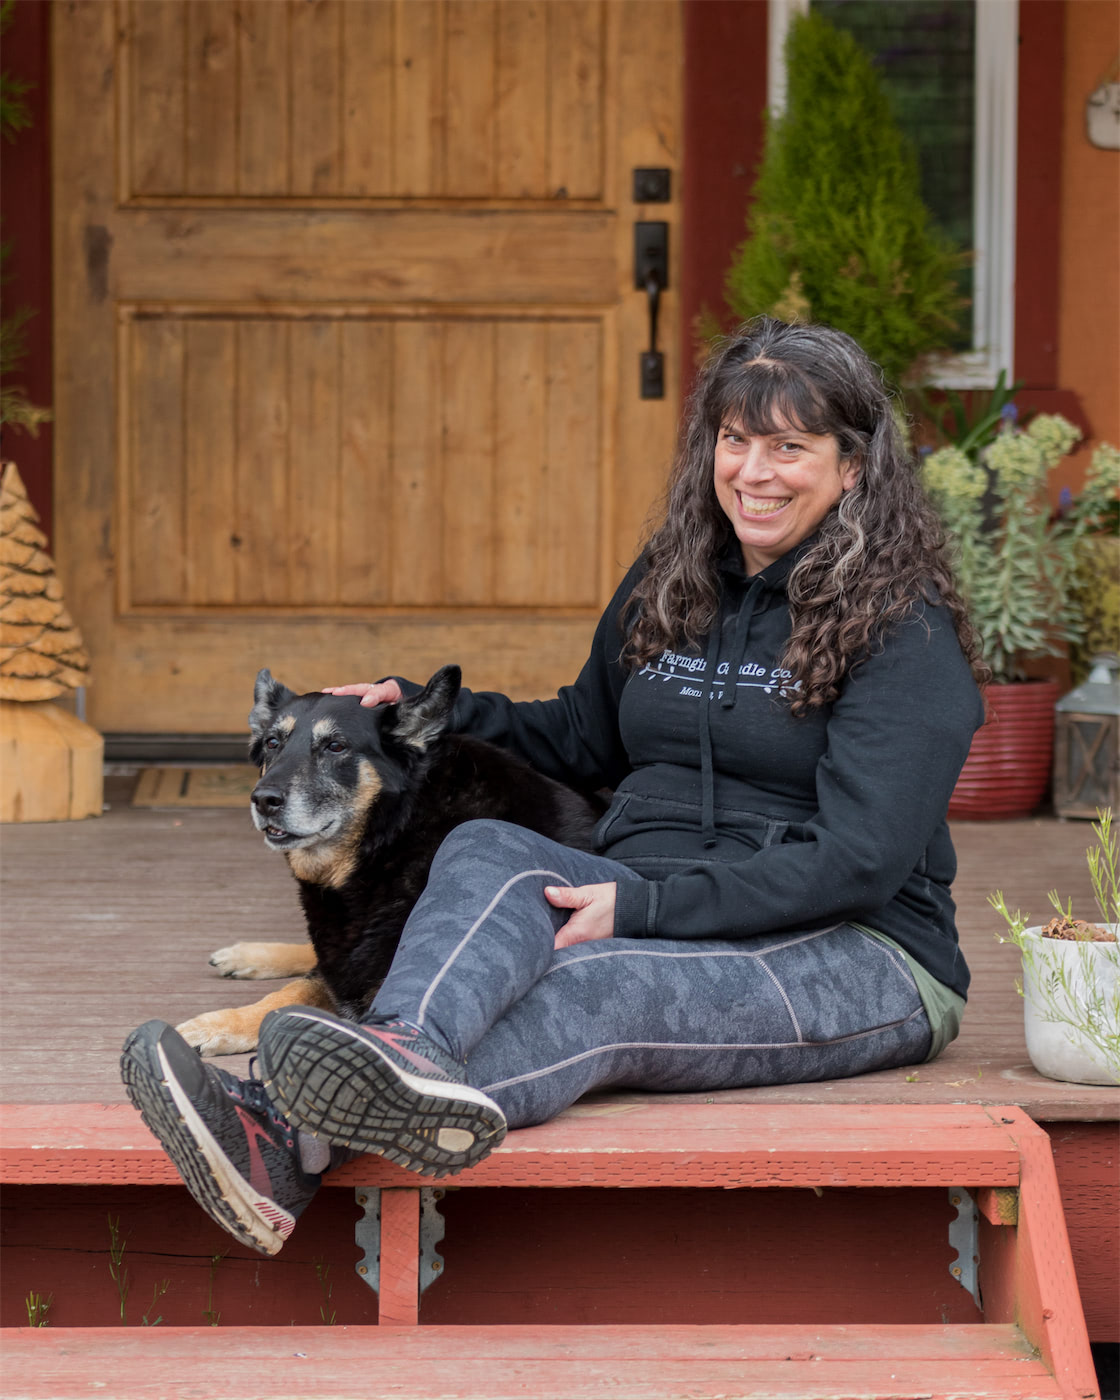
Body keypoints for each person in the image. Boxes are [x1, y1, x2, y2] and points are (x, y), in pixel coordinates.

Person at [121, 316, 987, 1258]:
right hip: (657, 897)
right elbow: (581, 735)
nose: (755, 471)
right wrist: (420, 707)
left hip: (860, 952)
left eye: (790, 447)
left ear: (852, 467)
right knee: (482, 845)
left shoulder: (905, 632)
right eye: (736, 441)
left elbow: (860, 861)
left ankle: (285, 1135)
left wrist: (645, 903)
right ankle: (401, 1051)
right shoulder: (675, 578)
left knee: (591, 981)